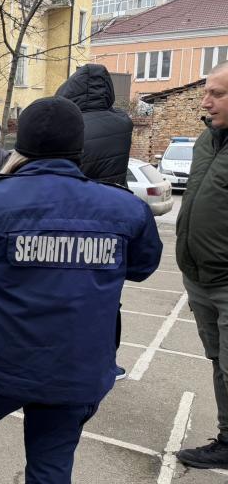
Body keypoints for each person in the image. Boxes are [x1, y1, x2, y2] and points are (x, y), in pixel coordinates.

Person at [0, 96, 162, 483]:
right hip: (73, 370)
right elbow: (143, 267)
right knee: (51, 467)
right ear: (79, 147)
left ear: (20, 145)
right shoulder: (123, 208)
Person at [57, 64, 135, 380]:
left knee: (68, 296)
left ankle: (68, 360)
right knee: (108, 297)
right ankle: (108, 363)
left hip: (75, 216)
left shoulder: (72, 126)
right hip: (114, 219)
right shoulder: (123, 122)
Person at [175, 61, 228, 470]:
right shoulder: (203, 142)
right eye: (206, 92)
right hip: (199, 278)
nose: (206, 102)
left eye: (217, 94)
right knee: (219, 363)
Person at [56, 64, 133, 187]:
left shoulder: (66, 125)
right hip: (116, 196)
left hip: (77, 197)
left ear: (71, 88)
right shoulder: (123, 123)